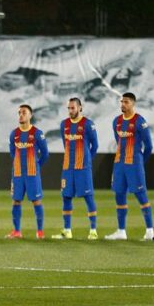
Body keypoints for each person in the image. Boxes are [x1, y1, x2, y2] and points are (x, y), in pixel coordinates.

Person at [105, 92, 154, 241]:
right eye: (122, 102)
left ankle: (150, 230)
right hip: (119, 164)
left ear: (133, 103)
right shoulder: (117, 121)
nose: (123, 105)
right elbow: (118, 140)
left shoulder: (140, 121)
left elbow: (149, 146)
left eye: (126, 102)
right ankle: (121, 231)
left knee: (141, 195)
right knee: (119, 195)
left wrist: (139, 161)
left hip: (134, 164)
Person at [52, 97, 99, 240]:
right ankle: (67, 230)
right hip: (67, 168)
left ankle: (93, 230)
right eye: (68, 108)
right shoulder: (64, 124)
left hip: (82, 168)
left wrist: (86, 161)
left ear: (80, 108)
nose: (70, 110)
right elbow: (65, 143)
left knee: (88, 197)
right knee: (66, 197)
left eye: (73, 108)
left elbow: (95, 146)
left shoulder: (87, 124)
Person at [7, 104, 49, 239]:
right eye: (19, 112)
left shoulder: (37, 133)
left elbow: (45, 154)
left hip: (32, 174)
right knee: (16, 201)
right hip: (18, 174)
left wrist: (36, 166)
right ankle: (17, 231)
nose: (21, 115)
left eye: (24, 112)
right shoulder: (14, 134)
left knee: (36, 201)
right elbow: (13, 153)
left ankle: (40, 231)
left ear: (30, 115)